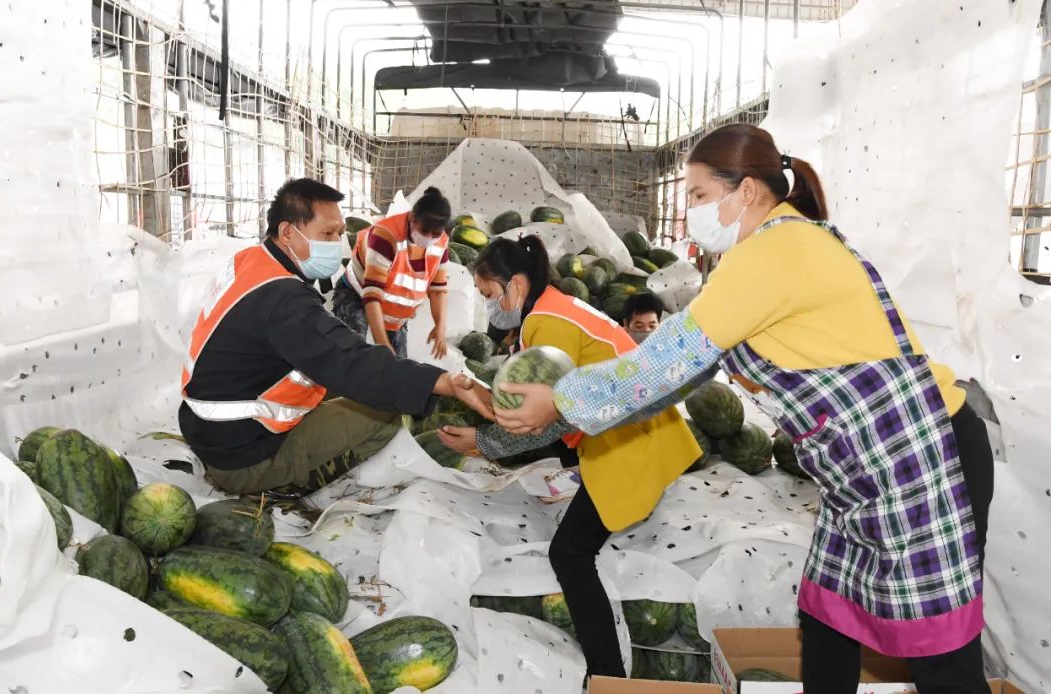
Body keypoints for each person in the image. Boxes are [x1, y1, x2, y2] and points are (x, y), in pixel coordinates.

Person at [495, 124, 994, 694]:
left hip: (923, 458)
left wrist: (561, 399)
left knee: (941, 658)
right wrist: (568, 409)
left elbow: (667, 362)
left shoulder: (776, 252)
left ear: (748, 192)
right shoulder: (769, 251)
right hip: (869, 467)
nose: (690, 214)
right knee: (829, 618)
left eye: (700, 196)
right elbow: (678, 371)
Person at [437, 235, 705, 678]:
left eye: (488, 295)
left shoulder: (549, 325)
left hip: (633, 442)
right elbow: (538, 403)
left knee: (570, 555)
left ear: (515, 286)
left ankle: (607, 677)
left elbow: (551, 419)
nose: (488, 307)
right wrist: (480, 397)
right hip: (632, 430)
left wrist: (481, 443)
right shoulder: (551, 309)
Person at [179, 178, 491, 496]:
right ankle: (291, 482)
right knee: (386, 413)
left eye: (339, 233)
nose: (337, 243)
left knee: (349, 385)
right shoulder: (283, 300)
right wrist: (443, 381)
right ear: (287, 232)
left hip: (208, 431)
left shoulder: (253, 262)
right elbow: (352, 361)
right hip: (242, 459)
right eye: (327, 234)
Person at [332, 186, 453, 358]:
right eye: (425, 231)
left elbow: (438, 289)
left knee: (397, 369)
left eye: (436, 233)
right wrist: (383, 344)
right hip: (356, 294)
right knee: (354, 357)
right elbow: (372, 293)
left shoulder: (441, 243)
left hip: (393, 314)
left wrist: (440, 326)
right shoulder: (385, 235)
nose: (430, 237)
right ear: (412, 218)